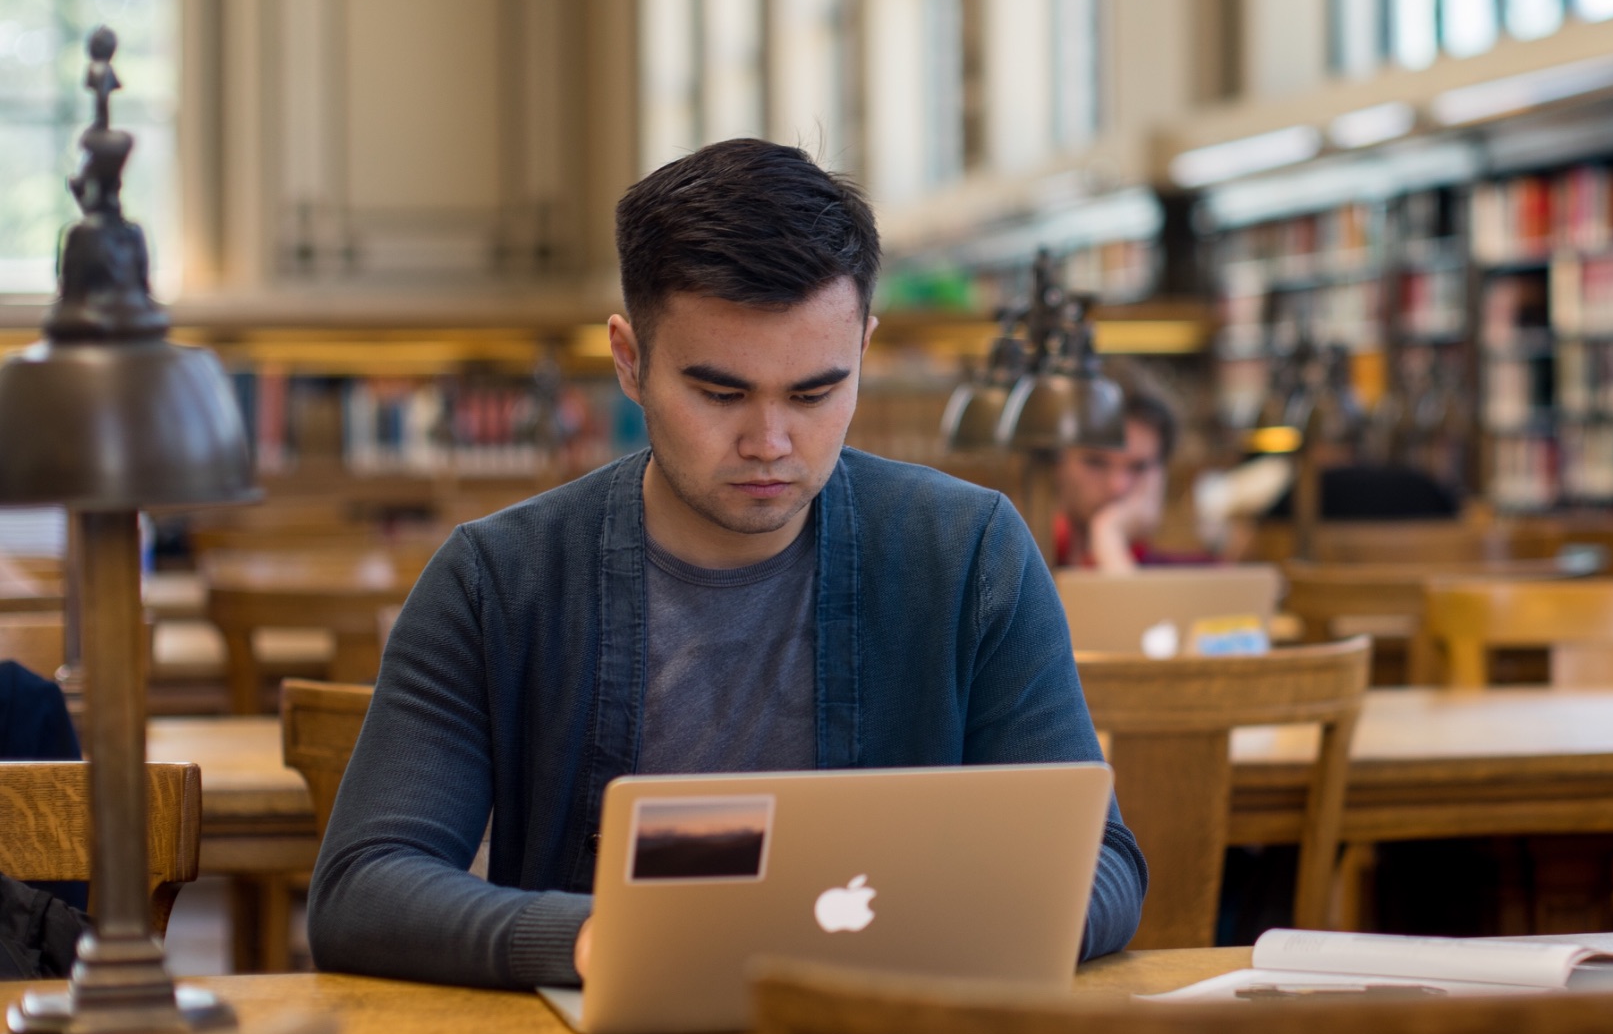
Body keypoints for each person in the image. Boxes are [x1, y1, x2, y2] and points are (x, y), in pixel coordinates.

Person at [308, 140, 1147, 990]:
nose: (770, 444)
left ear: (865, 345)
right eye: (720, 394)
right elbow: (363, 889)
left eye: (816, 393)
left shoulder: (972, 554)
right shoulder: (497, 581)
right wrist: (609, 940)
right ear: (629, 360)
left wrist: (921, 936)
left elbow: (1103, 864)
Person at [1051, 371, 1209, 570]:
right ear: (1058, 464)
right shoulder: (1021, 563)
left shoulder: (1200, 573)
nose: (1117, 486)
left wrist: (1109, 533)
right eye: (1096, 462)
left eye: (1139, 467)